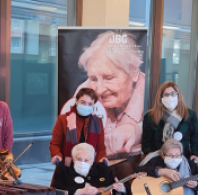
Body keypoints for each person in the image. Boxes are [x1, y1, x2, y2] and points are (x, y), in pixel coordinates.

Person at [60, 30, 146, 161]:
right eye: (94, 79)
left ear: (134, 73)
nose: (99, 90)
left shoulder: (150, 93)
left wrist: (136, 131)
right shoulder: (85, 92)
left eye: (109, 78)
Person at [141, 81, 198, 162]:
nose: (170, 97)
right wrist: (148, 154)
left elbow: (196, 137)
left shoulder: (189, 115)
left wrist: (194, 154)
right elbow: (146, 140)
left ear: (178, 96)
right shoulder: (150, 116)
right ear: (161, 97)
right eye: (166, 94)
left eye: (173, 93)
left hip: (182, 158)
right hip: (158, 159)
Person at [50, 88, 107, 166]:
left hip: (90, 167)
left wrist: (102, 157)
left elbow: (100, 147)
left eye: (90, 104)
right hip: (68, 167)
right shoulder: (63, 119)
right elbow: (55, 143)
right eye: (83, 102)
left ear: (93, 105)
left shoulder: (98, 121)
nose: (86, 106)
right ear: (76, 101)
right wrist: (56, 155)